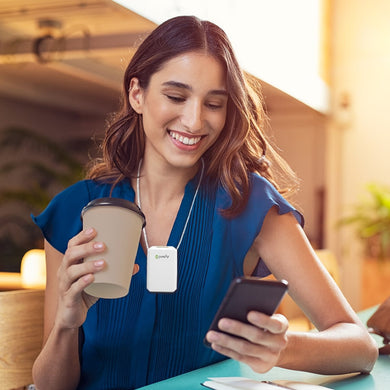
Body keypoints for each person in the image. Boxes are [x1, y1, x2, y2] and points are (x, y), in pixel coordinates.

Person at [31, 15, 378, 390]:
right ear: (137, 94)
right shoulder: (73, 210)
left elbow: (360, 347)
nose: (195, 121)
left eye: (214, 103)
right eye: (176, 97)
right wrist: (66, 325)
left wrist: (283, 347)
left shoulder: (251, 206)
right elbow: (52, 386)